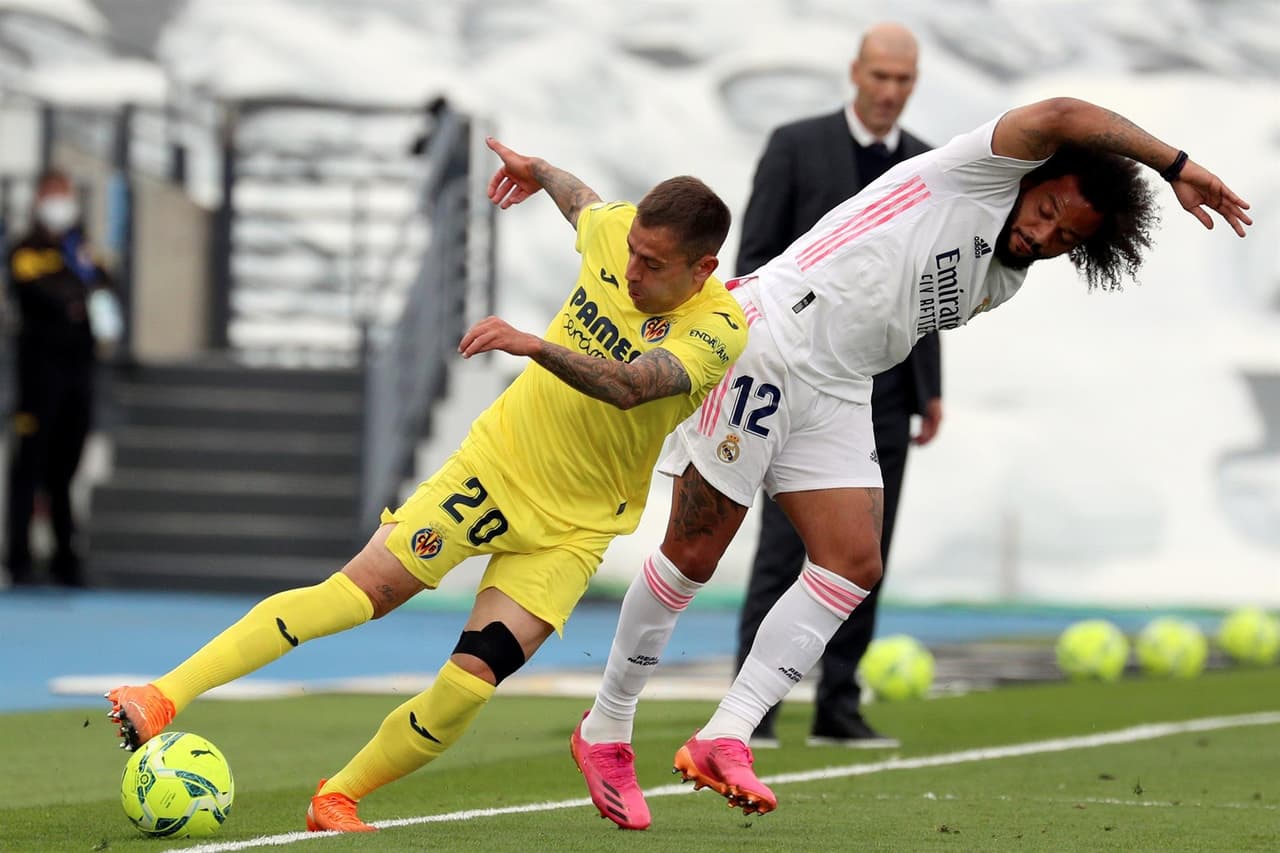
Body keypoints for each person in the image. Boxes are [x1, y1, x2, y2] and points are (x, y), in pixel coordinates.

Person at [571, 96, 1251, 826]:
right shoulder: (979, 170)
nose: (1043, 231)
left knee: (852, 561)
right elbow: (1060, 113)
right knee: (693, 555)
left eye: (1064, 235)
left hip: (839, 385)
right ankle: (607, 727)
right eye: (1048, 207)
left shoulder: (1007, 278)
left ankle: (726, 732)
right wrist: (1176, 166)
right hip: (772, 340)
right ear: (1033, 177)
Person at [105, 139, 747, 833]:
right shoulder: (619, 233)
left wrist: (537, 345)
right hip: (495, 470)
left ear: (703, 267)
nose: (630, 270)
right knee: (356, 596)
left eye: (652, 265)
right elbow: (583, 203)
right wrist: (538, 173)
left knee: (472, 680)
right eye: (631, 252)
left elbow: (633, 387)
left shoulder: (718, 329)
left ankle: (338, 796)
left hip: (576, 527)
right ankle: (162, 694)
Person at [734, 21, 941, 750]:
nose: (889, 92)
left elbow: (930, 288)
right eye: (879, 76)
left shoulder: (926, 166)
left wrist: (930, 387)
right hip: (796, 382)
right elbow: (755, 258)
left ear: (913, 84)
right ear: (855, 72)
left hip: (886, 392)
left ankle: (839, 703)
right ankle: (752, 708)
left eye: (902, 80)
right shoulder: (795, 145)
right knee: (783, 549)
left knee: (863, 554)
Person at [5, 168, 111, 587]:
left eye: (65, 194)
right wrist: (74, 296)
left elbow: (103, 285)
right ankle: (18, 562)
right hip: (38, 380)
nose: (60, 202)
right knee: (28, 470)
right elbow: (43, 294)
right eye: (53, 194)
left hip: (77, 377)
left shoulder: (80, 249)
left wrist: (77, 294)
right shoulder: (26, 249)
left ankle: (67, 561)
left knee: (65, 471)